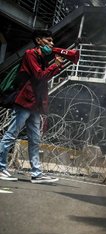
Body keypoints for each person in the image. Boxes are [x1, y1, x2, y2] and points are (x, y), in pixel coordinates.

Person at [0, 29, 64, 183]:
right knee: (11, 135)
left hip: (35, 104)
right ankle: (0, 168)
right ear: (38, 40)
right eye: (48, 40)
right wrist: (55, 65)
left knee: (35, 139)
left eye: (52, 41)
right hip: (25, 101)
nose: (52, 44)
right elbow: (40, 75)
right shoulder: (30, 54)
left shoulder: (43, 58)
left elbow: (44, 77)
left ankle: (36, 173)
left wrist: (55, 66)